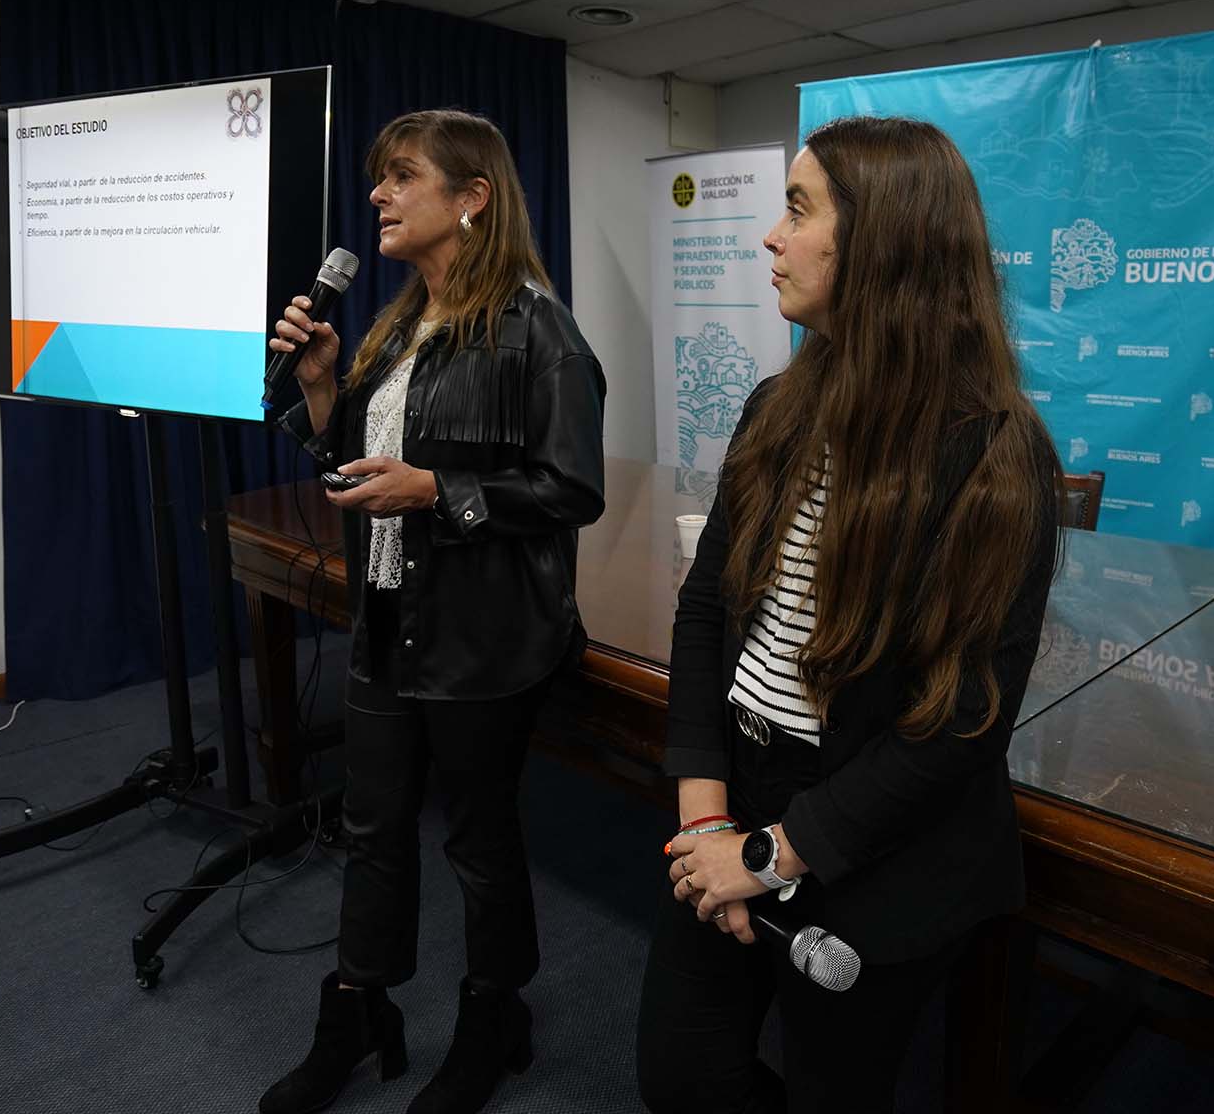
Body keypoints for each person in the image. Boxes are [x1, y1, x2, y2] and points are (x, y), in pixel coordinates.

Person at [636, 116, 1064, 1113]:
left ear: (883, 241)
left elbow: (961, 721)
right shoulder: (775, 408)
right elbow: (705, 614)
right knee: (682, 1076)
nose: (770, 236)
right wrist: (709, 824)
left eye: (798, 210)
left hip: (879, 836)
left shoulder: (997, 455)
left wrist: (767, 858)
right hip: (738, 795)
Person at [259, 109, 605, 1114]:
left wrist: (437, 491)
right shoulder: (396, 324)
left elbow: (573, 489)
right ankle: (357, 1010)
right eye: (380, 177)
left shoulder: (538, 328)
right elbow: (353, 462)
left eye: (402, 175)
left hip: (485, 633)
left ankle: (494, 1016)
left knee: (478, 840)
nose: (378, 194)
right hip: (385, 614)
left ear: (472, 197)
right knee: (371, 826)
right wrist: (322, 387)